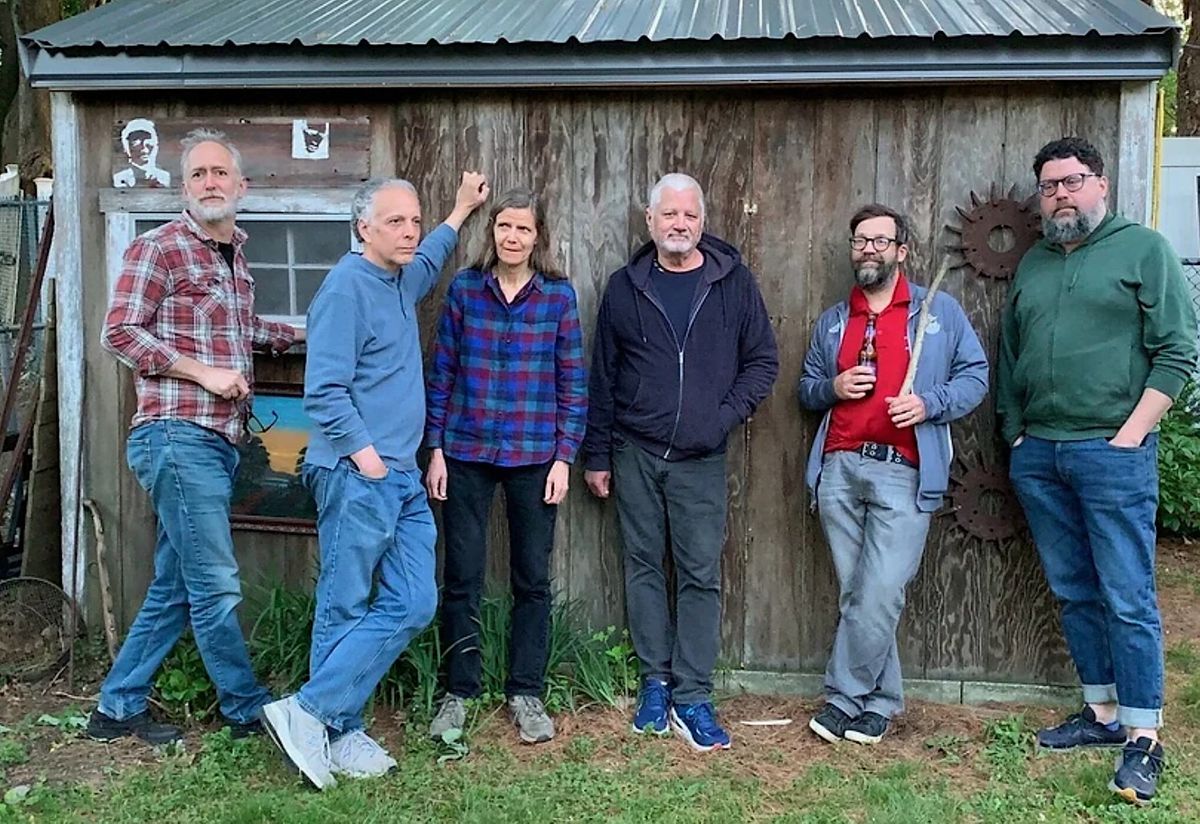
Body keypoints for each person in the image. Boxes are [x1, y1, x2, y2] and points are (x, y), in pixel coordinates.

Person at [259, 172, 489, 790]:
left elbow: (431, 255)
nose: (409, 231)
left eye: (413, 220)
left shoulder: (400, 280)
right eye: (395, 222)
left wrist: (459, 211)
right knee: (345, 603)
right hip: (357, 474)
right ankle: (335, 731)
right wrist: (369, 461)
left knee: (414, 601)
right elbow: (324, 391)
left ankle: (312, 712)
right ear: (364, 228)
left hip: (402, 476)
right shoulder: (345, 289)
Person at [997, 136, 1199, 806]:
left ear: (1101, 185)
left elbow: (1178, 350)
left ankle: (1144, 736)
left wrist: (1131, 435)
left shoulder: (1143, 250)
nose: (1061, 194)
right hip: (1041, 455)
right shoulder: (1034, 264)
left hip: (1112, 454)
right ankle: (1103, 712)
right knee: (1074, 589)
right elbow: (1011, 355)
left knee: (1127, 594)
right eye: (1049, 185)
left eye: (1073, 181)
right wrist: (1016, 433)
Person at [90, 128, 301, 745]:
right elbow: (119, 332)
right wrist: (202, 372)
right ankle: (246, 708)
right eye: (198, 175)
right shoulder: (160, 248)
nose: (210, 183)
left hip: (217, 441)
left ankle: (116, 708)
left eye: (219, 173)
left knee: (179, 584)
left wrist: (313, 332)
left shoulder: (235, 259)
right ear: (184, 188)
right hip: (175, 433)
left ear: (241, 186)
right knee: (214, 583)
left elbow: (243, 330)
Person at [582, 173, 778, 752]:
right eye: (669, 214)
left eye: (690, 215)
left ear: (703, 222)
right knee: (643, 567)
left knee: (699, 575)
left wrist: (720, 418)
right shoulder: (626, 287)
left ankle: (693, 695)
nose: (679, 224)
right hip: (635, 451)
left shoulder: (732, 282)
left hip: (701, 457)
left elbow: (762, 362)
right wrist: (597, 454)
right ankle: (655, 685)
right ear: (650, 220)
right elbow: (603, 377)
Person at [798, 203, 988, 746]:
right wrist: (833, 388)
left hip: (904, 470)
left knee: (879, 592)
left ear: (901, 251)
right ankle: (880, 704)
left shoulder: (936, 312)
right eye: (861, 241)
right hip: (838, 469)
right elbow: (806, 389)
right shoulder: (835, 321)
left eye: (881, 241)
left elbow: (975, 377)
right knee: (858, 595)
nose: (869, 250)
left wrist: (929, 404)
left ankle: (843, 698)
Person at [424, 187, 587, 745]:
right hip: (465, 451)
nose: (512, 237)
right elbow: (442, 371)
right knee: (461, 577)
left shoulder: (557, 297)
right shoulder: (466, 290)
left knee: (532, 580)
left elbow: (573, 384)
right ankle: (458, 691)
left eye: (523, 229)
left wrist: (564, 457)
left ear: (538, 237)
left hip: (534, 455)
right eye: (504, 227)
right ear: (491, 231)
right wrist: (436, 448)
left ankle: (526, 691)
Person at [113, 118, 172, 188]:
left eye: (148, 142)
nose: (145, 150)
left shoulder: (163, 177)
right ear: (126, 148)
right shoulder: (120, 178)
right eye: (136, 143)